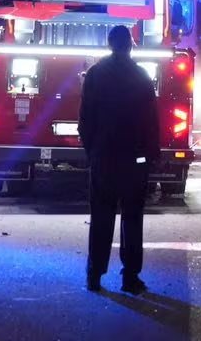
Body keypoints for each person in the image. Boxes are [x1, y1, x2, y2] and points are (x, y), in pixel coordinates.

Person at [80, 23, 158, 294]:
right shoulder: (141, 76)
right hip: (134, 161)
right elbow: (151, 122)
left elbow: (85, 119)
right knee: (132, 219)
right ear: (130, 44)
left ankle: (95, 274)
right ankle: (130, 278)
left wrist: (93, 152)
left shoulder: (95, 74)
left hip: (104, 159)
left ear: (109, 43)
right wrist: (150, 157)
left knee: (101, 217)